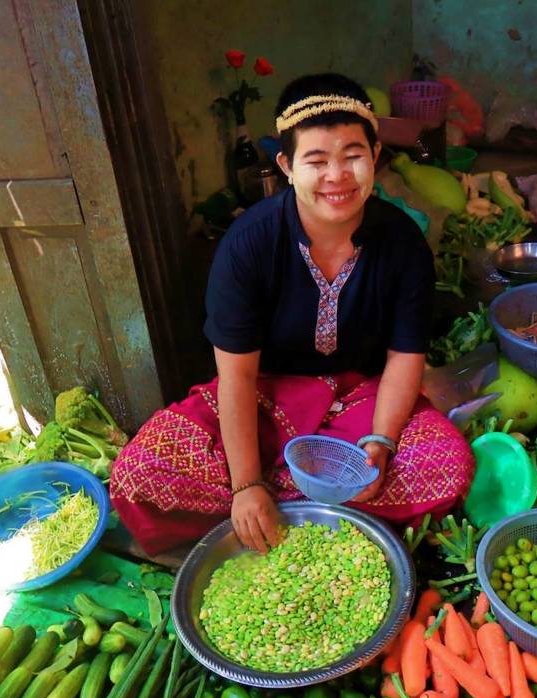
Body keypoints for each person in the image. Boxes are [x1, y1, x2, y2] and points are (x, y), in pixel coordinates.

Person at [110, 73, 473, 554]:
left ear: (376, 155)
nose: (336, 176)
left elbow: (405, 356)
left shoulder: (403, 242)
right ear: (286, 166)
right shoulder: (248, 244)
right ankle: (314, 503)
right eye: (316, 161)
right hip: (263, 399)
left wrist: (381, 443)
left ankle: (288, 504)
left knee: (446, 466)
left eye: (353, 156)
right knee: (140, 474)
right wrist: (245, 484)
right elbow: (237, 377)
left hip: (359, 403)